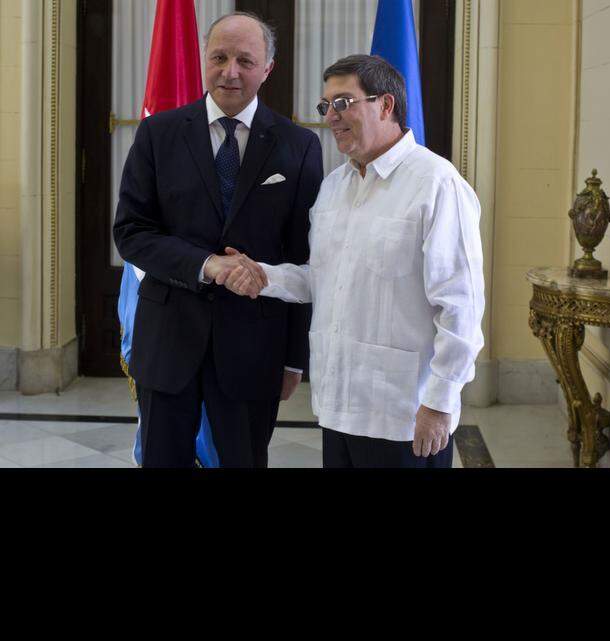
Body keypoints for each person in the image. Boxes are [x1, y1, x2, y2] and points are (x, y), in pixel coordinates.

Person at [220, 54, 484, 468]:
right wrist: (263, 277)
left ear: (386, 105)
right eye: (326, 106)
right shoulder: (334, 186)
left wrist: (439, 404)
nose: (331, 117)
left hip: (403, 416)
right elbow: (323, 279)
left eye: (344, 102)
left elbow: (461, 309)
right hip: (339, 405)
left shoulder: (437, 184)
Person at [112, 12, 323, 467]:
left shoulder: (300, 145)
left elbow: (303, 258)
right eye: (220, 57)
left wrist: (293, 359)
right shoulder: (157, 134)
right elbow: (131, 233)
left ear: (268, 68)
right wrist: (208, 265)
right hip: (168, 342)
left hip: (254, 348)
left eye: (245, 60)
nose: (230, 71)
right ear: (203, 60)